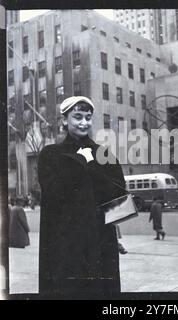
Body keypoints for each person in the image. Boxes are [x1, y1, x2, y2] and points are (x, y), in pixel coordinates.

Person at [38, 96, 126, 297]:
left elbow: (119, 201)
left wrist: (116, 235)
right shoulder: (50, 154)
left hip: (101, 244)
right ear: (64, 120)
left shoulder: (105, 156)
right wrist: (87, 165)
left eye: (88, 117)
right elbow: (55, 196)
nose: (84, 122)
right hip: (66, 244)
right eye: (77, 117)